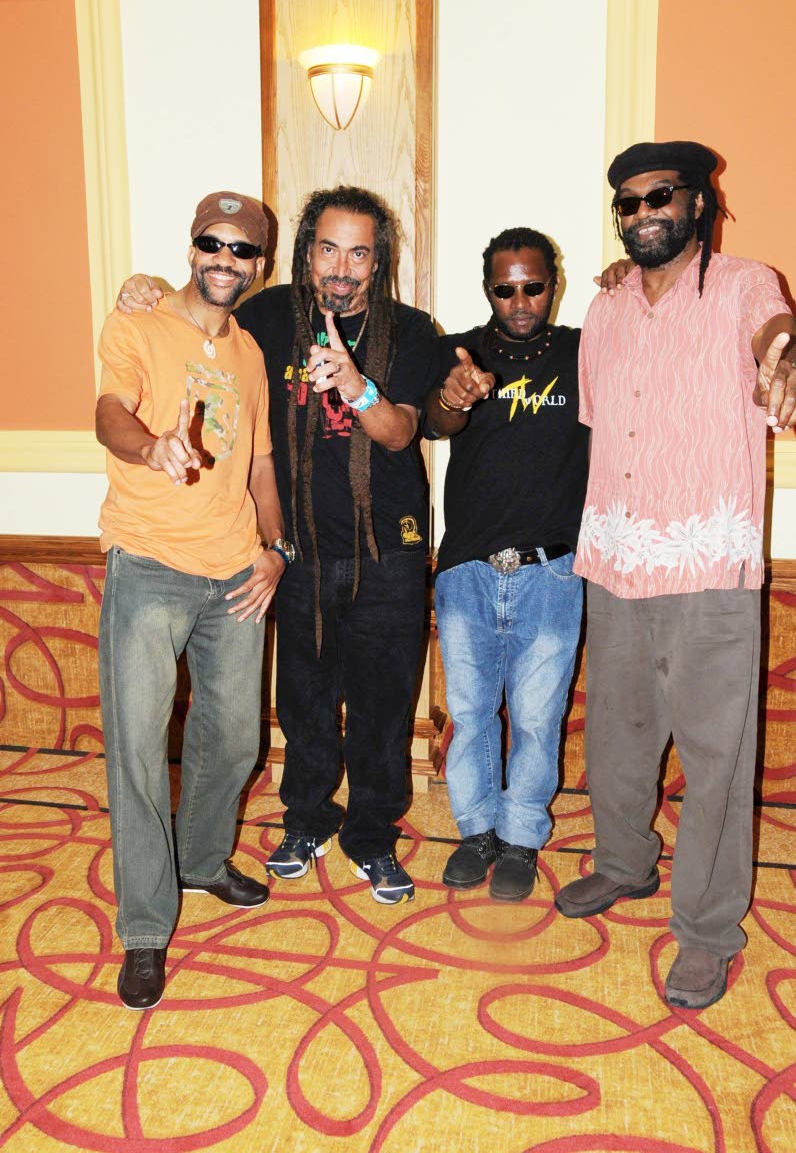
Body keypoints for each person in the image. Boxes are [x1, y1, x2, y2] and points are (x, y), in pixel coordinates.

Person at [116, 186, 440, 906]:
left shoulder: (413, 330)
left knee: (384, 706)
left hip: (388, 551)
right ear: (304, 253)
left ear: (379, 260)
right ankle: (307, 819)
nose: (342, 268)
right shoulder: (265, 318)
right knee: (303, 700)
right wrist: (144, 288)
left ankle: (372, 834)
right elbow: (197, 312)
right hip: (297, 551)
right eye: (328, 249)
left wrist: (355, 386)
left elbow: (400, 433)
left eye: (359, 253)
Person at [554, 141, 796, 1009]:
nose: (644, 212)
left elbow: (775, 333)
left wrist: (784, 359)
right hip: (615, 557)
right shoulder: (607, 307)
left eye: (661, 195)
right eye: (628, 201)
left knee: (716, 757)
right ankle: (624, 862)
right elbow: (599, 421)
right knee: (617, 737)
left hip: (706, 566)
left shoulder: (744, 284)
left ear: (699, 202)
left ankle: (707, 931)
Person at [97, 191, 289, 1009]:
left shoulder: (251, 353)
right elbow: (110, 413)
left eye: (242, 250)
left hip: (236, 570)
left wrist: (277, 549)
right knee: (138, 750)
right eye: (213, 243)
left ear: (260, 266)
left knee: (236, 737)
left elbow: (261, 464)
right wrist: (151, 448)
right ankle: (145, 927)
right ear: (191, 248)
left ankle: (202, 861)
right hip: (149, 565)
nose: (225, 259)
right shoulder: (137, 322)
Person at [424, 228, 588, 901]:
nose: (520, 302)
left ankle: (521, 836)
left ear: (555, 283)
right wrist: (453, 399)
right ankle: (477, 831)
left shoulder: (583, 351)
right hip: (466, 568)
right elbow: (434, 422)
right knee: (470, 714)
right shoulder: (460, 352)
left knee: (538, 719)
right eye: (504, 289)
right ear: (487, 289)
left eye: (533, 286)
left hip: (552, 572)